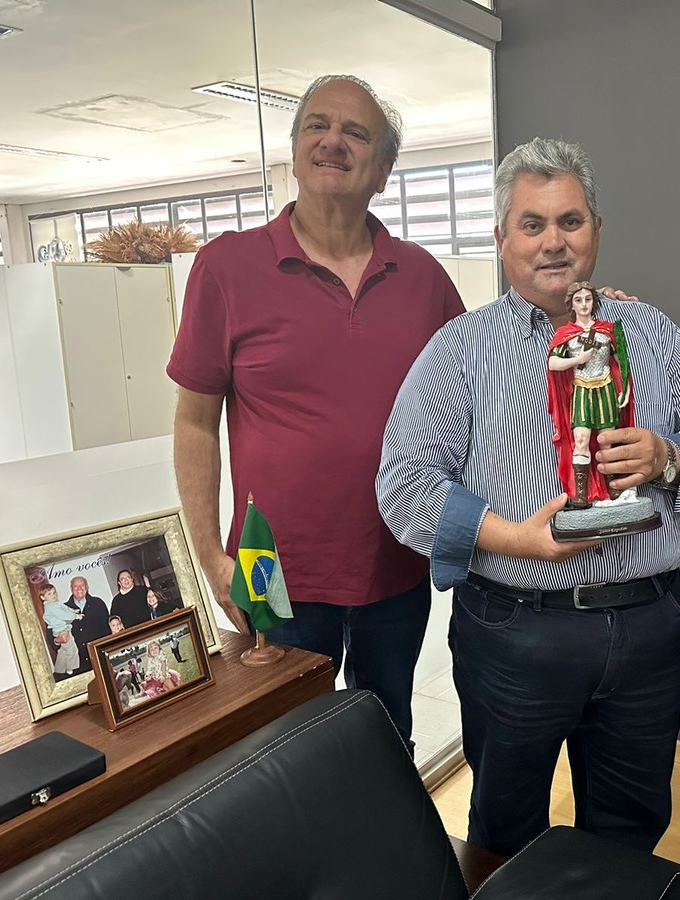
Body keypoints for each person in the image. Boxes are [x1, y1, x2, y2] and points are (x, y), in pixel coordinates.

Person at [377, 137, 680, 857]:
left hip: (647, 628)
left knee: (630, 832)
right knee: (505, 833)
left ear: (596, 231)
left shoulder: (651, 332)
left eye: (570, 221)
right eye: (533, 224)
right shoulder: (459, 350)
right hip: (514, 633)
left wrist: (668, 457)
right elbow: (404, 483)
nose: (554, 242)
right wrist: (518, 538)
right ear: (502, 239)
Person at [166, 74, 465, 752]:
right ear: (296, 151)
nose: (333, 141)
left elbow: (480, 393)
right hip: (269, 571)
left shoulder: (423, 278)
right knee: (282, 754)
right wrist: (210, 554)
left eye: (356, 133)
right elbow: (194, 421)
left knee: (386, 736)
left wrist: (583, 326)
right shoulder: (226, 267)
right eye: (317, 126)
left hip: (395, 561)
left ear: (383, 170)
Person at [547, 281, 634, 507]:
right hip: (581, 390)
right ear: (572, 305)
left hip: (605, 388)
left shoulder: (606, 331)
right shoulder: (567, 334)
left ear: (594, 301)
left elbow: (620, 361)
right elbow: (553, 363)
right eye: (578, 300)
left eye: (587, 299)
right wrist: (578, 359)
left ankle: (613, 487)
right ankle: (581, 494)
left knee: (607, 440)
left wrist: (624, 388)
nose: (584, 304)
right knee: (581, 439)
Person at [66, 575, 111, 674]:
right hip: (78, 662)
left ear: (86, 587)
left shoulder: (98, 603)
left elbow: (107, 630)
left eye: (82, 585)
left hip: (99, 657)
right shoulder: (63, 609)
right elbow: (54, 632)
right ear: (71, 589)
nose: (79, 589)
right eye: (76, 586)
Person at [40, 583, 82, 677]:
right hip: (62, 630)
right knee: (72, 650)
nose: (53, 595)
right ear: (43, 597)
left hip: (61, 629)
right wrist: (76, 616)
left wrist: (72, 610)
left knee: (62, 652)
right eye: (49, 594)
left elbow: (64, 608)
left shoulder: (54, 604)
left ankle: (59, 670)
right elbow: (62, 614)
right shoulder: (50, 606)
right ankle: (71, 668)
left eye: (54, 592)